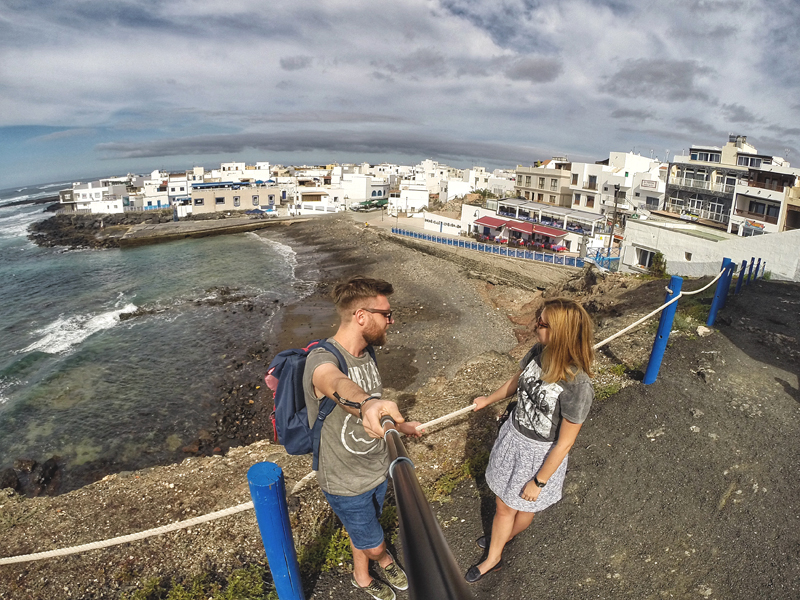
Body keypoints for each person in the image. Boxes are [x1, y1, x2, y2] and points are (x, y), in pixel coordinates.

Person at [303, 275, 422, 600]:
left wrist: (398, 426)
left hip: (375, 469)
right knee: (374, 541)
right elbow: (336, 383)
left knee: (362, 531)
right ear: (361, 316)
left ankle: (362, 578)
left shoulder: (368, 353)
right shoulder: (321, 359)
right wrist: (367, 403)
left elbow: (373, 417)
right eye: (386, 314)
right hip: (345, 483)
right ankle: (382, 559)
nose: (391, 320)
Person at [464, 297, 595, 583]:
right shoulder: (539, 351)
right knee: (506, 505)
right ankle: (501, 541)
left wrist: (539, 482)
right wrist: (488, 399)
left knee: (518, 506)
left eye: (543, 323)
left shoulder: (578, 384)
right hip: (513, 437)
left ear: (560, 332)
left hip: (538, 455)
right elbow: (518, 380)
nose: (536, 325)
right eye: (539, 319)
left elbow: (565, 442)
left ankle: (494, 555)